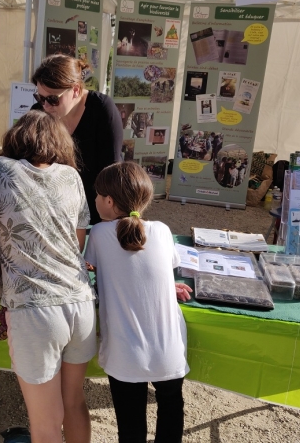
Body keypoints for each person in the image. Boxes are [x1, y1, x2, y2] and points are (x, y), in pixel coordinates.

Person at [0, 110, 96, 443]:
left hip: (35, 313)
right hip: (81, 305)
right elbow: (76, 242)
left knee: (45, 425)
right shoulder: (71, 177)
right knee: (74, 403)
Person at [84, 162, 192, 443]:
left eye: (96, 195)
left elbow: (94, 268)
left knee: (130, 427)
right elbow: (156, 270)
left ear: (108, 201)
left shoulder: (97, 233)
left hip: (125, 353)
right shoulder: (163, 231)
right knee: (171, 408)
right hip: (169, 350)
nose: (94, 200)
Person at [31, 54, 123, 225]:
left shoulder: (102, 109)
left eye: (52, 99)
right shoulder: (39, 112)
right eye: (40, 97)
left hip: (96, 210)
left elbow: (112, 170)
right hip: (53, 212)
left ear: (75, 90)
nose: (45, 106)